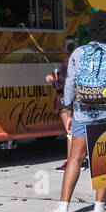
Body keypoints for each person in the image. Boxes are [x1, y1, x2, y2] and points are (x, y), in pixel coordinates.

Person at [51, 11, 106, 212]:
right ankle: (99, 208)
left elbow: (70, 83)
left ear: (93, 29)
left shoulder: (78, 53)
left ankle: (63, 207)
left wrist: (68, 108)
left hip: (83, 113)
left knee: (75, 158)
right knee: (105, 158)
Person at [45, 36, 78, 170]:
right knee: (76, 130)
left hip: (65, 99)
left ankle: (71, 162)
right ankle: (78, 159)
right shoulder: (78, 60)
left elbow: (63, 83)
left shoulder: (66, 62)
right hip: (77, 98)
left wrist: (52, 80)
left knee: (69, 131)